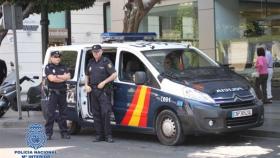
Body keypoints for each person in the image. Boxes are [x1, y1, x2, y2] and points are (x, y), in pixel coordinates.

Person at [85, 44, 117, 143]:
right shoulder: (90, 62)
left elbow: (114, 74)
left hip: (103, 91)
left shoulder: (106, 61)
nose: (96, 53)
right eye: (94, 52)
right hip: (93, 90)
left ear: (101, 51)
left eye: (98, 51)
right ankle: (99, 135)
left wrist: (104, 82)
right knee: (96, 113)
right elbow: (87, 75)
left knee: (105, 113)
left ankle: (108, 136)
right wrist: (86, 85)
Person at [44, 51, 71, 140]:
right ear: (51, 58)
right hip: (53, 93)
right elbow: (51, 79)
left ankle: (64, 133)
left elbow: (68, 76)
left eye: (59, 57)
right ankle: (48, 133)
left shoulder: (63, 66)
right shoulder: (48, 67)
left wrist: (57, 77)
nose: (57, 58)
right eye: (55, 57)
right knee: (50, 114)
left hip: (62, 93)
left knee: (63, 114)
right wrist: (62, 78)